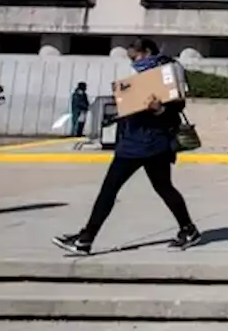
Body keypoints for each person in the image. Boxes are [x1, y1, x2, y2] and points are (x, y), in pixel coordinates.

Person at [53, 38, 200, 256]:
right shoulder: (142, 75)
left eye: (136, 57)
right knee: (159, 188)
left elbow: (177, 106)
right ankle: (188, 229)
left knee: (117, 189)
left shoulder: (167, 72)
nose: (133, 62)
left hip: (151, 142)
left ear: (148, 51)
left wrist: (159, 110)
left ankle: (86, 239)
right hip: (135, 139)